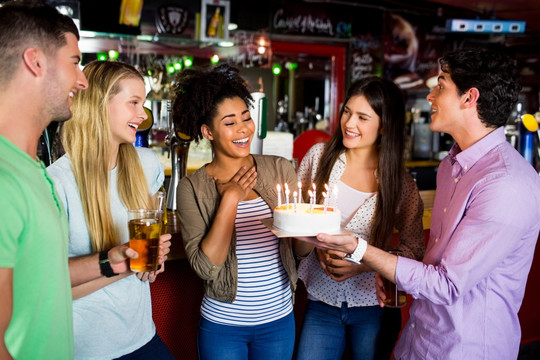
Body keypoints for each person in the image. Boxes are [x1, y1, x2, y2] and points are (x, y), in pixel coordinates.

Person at [301, 48, 540, 359]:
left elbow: (447, 284)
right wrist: (390, 274)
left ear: (469, 98)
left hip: (465, 350)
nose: (430, 95)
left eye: (440, 85)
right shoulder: (451, 166)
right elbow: (432, 263)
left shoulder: (507, 184)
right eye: (348, 112)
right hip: (420, 338)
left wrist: (360, 252)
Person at [173, 64, 304, 360]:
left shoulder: (279, 168)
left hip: (279, 320)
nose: (243, 129)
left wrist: (310, 225)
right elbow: (206, 267)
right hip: (223, 326)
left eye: (246, 118)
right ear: (208, 131)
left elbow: (303, 250)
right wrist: (230, 198)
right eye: (230, 123)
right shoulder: (191, 189)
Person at [47, 60, 174, 359]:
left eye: (142, 103)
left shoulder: (148, 166)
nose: (142, 115)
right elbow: (47, 286)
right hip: (86, 347)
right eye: (133, 103)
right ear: (99, 103)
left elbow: (147, 255)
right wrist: (128, 264)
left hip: (142, 334)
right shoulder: (57, 183)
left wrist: (152, 260)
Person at [295, 76, 425, 360]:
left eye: (362, 117)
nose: (349, 123)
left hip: (372, 306)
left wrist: (364, 265)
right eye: (347, 112)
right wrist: (315, 246)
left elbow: (415, 250)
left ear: (384, 126)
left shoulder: (400, 184)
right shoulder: (319, 159)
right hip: (321, 301)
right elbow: (294, 215)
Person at [0, 3, 88, 359]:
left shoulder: (31, 169)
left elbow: (41, 288)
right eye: (74, 61)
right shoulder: (5, 179)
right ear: (35, 61)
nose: (82, 80)